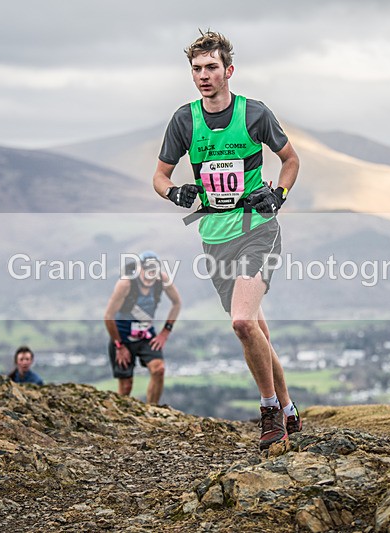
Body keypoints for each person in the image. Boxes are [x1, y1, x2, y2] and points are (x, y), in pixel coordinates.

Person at [152, 30, 302, 450]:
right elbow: (159, 177)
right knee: (255, 329)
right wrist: (176, 191)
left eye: (211, 68)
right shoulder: (185, 121)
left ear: (228, 71)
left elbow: (290, 160)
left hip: (256, 228)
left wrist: (279, 194)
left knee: (241, 322)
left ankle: (269, 409)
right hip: (215, 238)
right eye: (197, 69)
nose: (203, 75)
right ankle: (290, 411)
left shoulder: (253, 114)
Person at [103, 250, 182, 405]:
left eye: (153, 270)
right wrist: (119, 346)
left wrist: (165, 331)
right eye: (146, 269)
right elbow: (108, 316)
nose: (149, 274)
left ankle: (153, 409)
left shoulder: (162, 280)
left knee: (159, 369)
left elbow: (177, 303)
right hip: (122, 335)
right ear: (138, 268)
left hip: (146, 333)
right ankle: (121, 416)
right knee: (126, 385)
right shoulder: (126, 283)